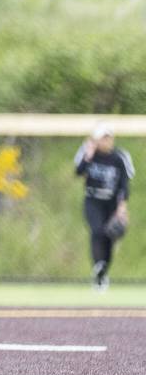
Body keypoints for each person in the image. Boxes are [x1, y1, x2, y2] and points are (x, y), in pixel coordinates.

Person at [74, 122, 134, 291]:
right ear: (96, 139)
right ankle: (98, 266)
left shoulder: (120, 156)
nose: (106, 141)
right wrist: (88, 155)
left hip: (112, 201)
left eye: (108, 137)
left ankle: (102, 272)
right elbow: (78, 172)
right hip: (93, 199)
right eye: (102, 138)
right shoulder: (88, 153)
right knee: (97, 231)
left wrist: (122, 207)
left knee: (109, 236)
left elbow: (124, 184)